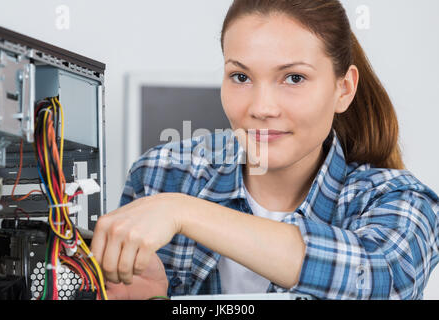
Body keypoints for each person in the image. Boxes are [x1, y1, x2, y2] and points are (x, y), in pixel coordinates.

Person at [91, 0, 439, 300]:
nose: (262, 107)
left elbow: (379, 280)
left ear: (343, 89)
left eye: (293, 78)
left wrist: (183, 212)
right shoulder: (162, 174)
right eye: (241, 77)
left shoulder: (397, 200)